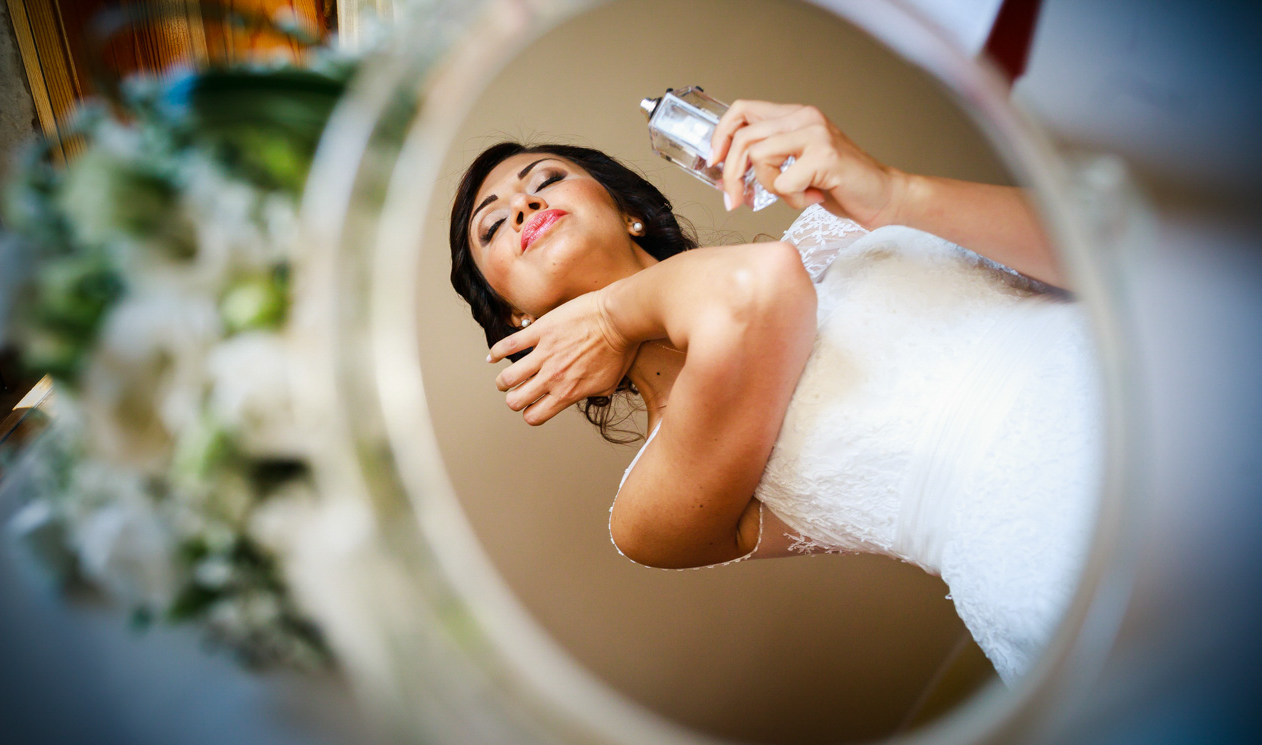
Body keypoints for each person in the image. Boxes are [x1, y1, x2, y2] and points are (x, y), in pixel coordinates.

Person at [449, 101, 1102, 682]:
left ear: (628, 213)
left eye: (547, 179)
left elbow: (1099, 252)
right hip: (1058, 569)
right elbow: (755, 294)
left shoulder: (833, 225)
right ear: (515, 319)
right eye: (493, 225)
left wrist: (896, 192)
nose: (524, 206)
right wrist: (614, 316)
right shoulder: (644, 515)